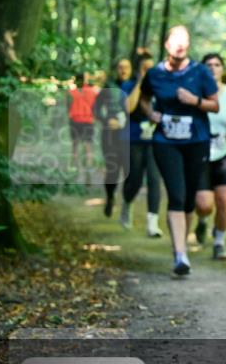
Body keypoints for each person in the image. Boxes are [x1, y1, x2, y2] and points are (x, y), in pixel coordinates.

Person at [139, 26, 219, 277]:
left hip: (197, 140)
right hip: (165, 141)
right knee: (176, 193)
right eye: (175, 40)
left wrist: (194, 101)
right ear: (166, 44)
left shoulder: (200, 72)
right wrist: (150, 113)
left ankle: (182, 246)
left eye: (184, 41)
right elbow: (143, 98)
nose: (180, 45)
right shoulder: (154, 74)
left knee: (189, 198)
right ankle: (180, 255)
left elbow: (215, 105)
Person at [194, 53, 226, 260]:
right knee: (204, 205)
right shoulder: (195, 93)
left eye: (217, 65)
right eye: (208, 65)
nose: (213, 68)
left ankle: (219, 242)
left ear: (223, 69)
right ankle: (203, 221)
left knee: (224, 200)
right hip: (201, 151)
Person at [120, 49, 163, 237]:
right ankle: (127, 203)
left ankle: (152, 223)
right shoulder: (129, 85)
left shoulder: (161, 86)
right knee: (135, 179)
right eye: (145, 68)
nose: (149, 71)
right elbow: (128, 107)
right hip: (134, 138)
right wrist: (141, 82)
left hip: (156, 140)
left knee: (154, 179)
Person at [94, 59, 131, 217]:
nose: (123, 70)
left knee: (129, 171)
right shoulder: (109, 87)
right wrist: (106, 120)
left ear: (131, 69)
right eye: (120, 67)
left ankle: (127, 203)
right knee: (112, 170)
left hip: (130, 137)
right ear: (117, 69)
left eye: (126, 67)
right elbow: (96, 108)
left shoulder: (135, 87)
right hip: (109, 136)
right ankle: (110, 197)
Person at [67, 71, 99, 184]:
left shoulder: (71, 91)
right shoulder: (92, 91)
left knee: (75, 146)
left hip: (75, 120)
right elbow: (96, 105)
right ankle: (88, 171)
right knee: (88, 147)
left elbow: (68, 106)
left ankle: (73, 173)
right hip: (88, 121)